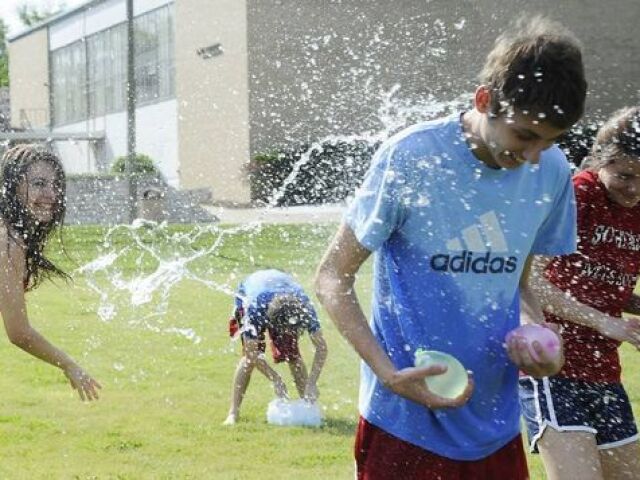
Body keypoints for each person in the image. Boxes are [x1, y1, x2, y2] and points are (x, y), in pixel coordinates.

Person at [315, 16, 587, 479]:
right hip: (404, 422)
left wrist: (539, 342)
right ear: (484, 100)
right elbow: (331, 277)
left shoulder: (553, 169)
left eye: (550, 142)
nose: (533, 157)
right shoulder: (412, 157)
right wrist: (387, 374)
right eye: (524, 135)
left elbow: (521, 284)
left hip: (495, 426)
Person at [520, 107, 640, 480]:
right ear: (600, 160)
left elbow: (606, 279)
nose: (635, 189)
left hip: (603, 372)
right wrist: (609, 324)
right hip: (553, 365)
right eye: (624, 176)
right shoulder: (578, 194)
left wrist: (627, 306)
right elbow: (533, 282)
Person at [0, 145, 101, 401]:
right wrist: (69, 364)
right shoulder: (7, 242)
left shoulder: (11, 236)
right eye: (38, 183)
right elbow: (19, 333)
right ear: (13, 187)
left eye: (55, 185)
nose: (51, 194)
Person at [223, 269, 327, 425]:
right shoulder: (255, 308)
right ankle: (233, 413)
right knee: (248, 360)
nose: (290, 334)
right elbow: (252, 353)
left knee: (292, 356)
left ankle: (308, 406)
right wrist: (275, 379)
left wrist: (312, 383)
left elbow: (322, 348)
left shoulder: (304, 307)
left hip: (280, 292)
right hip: (250, 292)